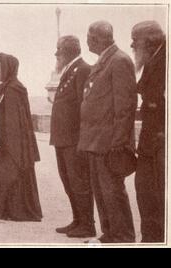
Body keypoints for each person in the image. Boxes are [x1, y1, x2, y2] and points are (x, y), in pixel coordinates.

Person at [78, 21, 137, 243]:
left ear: (99, 38)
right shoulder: (105, 60)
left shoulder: (120, 61)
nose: (87, 41)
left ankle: (123, 236)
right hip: (95, 141)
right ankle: (110, 233)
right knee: (102, 192)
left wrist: (118, 143)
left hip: (109, 142)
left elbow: (125, 106)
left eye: (90, 36)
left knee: (112, 191)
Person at [0, 53, 42, 222]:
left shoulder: (14, 89)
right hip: (1, 139)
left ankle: (12, 209)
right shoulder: (5, 87)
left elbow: (13, 122)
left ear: (7, 69)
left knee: (10, 174)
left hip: (10, 143)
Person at [49, 36, 95, 238]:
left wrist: (81, 140)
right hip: (62, 139)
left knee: (79, 183)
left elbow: (83, 107)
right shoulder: (69, 70)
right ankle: (77, 220)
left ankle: (87, 224)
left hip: (73, 139)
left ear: (68, 51)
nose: (56, 54)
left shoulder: (82, 69)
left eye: (58, 50)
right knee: (68, 182)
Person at [131, 21, 166, 243]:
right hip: (150, 140)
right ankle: (150, 240)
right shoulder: (155, 60)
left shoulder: (164, 62)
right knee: (145, 191)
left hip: (160, 142)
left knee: (157, 194)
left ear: (150, 43)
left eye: (136, 40)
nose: (132, 44)